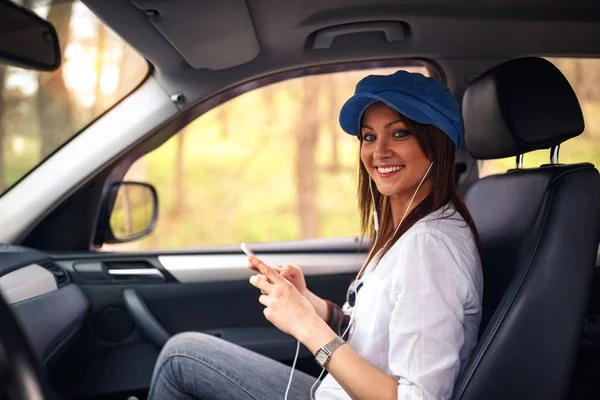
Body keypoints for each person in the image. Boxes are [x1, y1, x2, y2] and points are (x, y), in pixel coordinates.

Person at [147, 70, 483, 400]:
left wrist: (307, 326)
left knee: (182, 360)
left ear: (437, 142)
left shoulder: (429, 246)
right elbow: (375, 335)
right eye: (368, 136)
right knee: (184, 353)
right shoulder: (404, 229)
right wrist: (313, 305)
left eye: (399, 134)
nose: (379, 151)